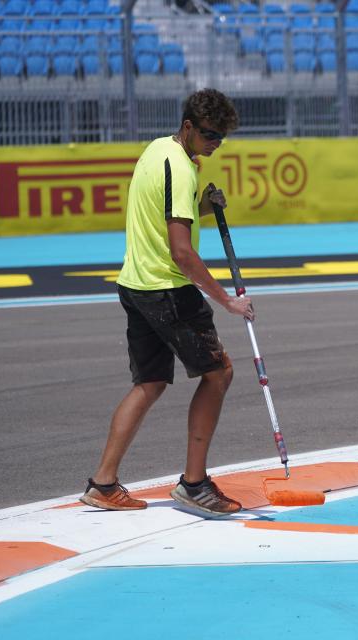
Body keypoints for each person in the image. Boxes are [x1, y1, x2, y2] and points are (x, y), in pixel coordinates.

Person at [80, 88, 253, 516]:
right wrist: (227, 302)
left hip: (135, 284)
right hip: (167, 288)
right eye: (210, 135)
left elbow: (165, 210)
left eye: (222, 138)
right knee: (218, 374)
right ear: (189, 127)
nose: (215, 144)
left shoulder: (159, 149)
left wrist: (203, 208)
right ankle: (194, 485)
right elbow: (181, 252)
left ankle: (102, 483)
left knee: (150, 383)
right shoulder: (182, 167)